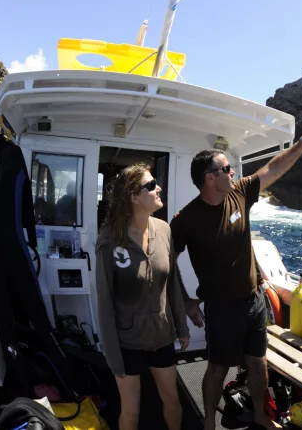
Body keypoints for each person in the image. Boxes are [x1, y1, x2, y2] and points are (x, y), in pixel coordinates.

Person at [171, 118, 302, 430]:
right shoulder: (187, 219)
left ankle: (261, 415)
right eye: (226, 169)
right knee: (217, 368)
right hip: (222, 308)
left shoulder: (240, 193)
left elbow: (272, 169)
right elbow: (167, 259)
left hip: (253, 299)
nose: (233, 173)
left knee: (258, 362)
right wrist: (186, 300)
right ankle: (207, 423)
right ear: (209, 178)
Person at [95, 164, 190, 430]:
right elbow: (105, 304)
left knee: (172, 400)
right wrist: (113, 358)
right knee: (131, 412)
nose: (158, 188)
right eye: (150, 185)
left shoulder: (164, 230)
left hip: (161, 337)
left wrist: (181, 326)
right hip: (127, 344)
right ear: (133, 196)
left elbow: (172, 284)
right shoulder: (109, 241)